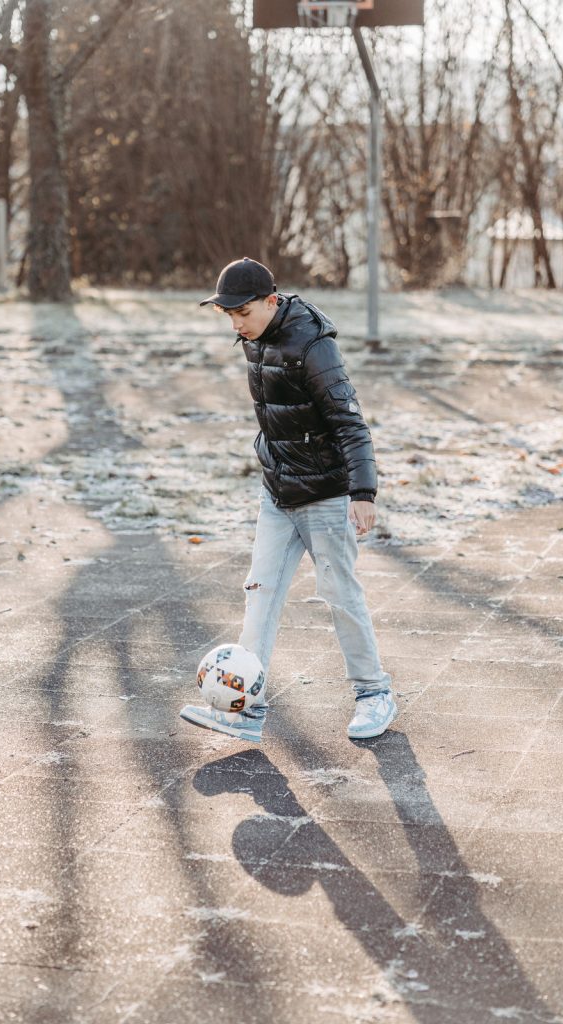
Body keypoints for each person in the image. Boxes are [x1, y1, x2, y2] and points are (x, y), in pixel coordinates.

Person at [180, 257, 396, 743]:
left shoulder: (313, 346)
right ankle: (246, 708)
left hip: (325, 494)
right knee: (260, 593)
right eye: (228, 315)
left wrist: (363, 492)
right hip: (278, 491)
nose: (236, 324)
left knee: (339, 594)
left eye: (243, 313)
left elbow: (349, 423)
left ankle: (373, 693)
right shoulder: (254, 339)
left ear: (272, 302)